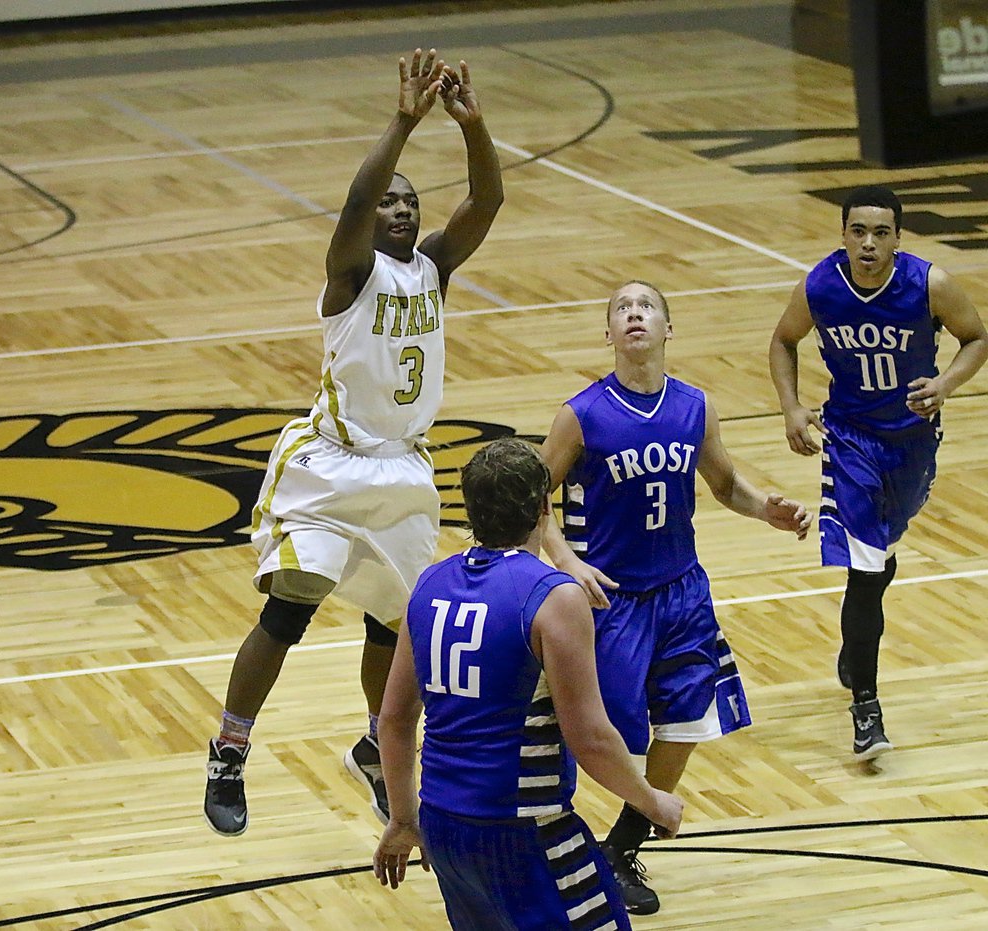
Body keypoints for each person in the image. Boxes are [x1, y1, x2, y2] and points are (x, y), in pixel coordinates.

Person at [203, 49, 504, 837]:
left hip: (403, 467)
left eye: (411, 203)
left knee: (395, 624)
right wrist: (403, 123)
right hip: (329, 464)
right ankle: (230, 749)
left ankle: (376, 746)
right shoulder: (350, 274)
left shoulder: (433, 268)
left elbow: (488, 199)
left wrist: (472, 127)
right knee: (291, 607)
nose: (401, 210)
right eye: (390, 203)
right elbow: (357, 199)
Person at [539, 281, 812, 916]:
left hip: (682, 591)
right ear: (609, 334)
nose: (634, 315)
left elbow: (723, 483)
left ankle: (621, 849)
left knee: (688, 718)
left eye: (647, 307)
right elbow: (532, 496)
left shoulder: (695, 406)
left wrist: (764, 509)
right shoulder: (581, 413)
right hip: (611, 598)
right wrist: (566, 561)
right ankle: (544, 835)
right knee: (591, 729)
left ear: (669, 329)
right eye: (621, 309)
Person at [372, 437, 682, 931]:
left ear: (469, 509)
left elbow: (393, 719)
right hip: (523, 826)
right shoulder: (553, 596)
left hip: (443, 822)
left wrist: (404, 818)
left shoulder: (429, 584)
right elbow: (591, 738)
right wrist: (652, 801)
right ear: (544, 506)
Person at [769, 184, 987, 762]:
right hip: (850, 442)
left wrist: (945, 384)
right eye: (858, 231)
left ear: (897, 238)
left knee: (881, 557)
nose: (868, 243)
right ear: (843, 235)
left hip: (912, 443)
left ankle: (855, 648)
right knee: (864, 572)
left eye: (881, 233)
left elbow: (976, 338)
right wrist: (792, 407)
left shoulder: (929, 284)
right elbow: (783, 340)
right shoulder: (819, 285)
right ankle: (866, 707)